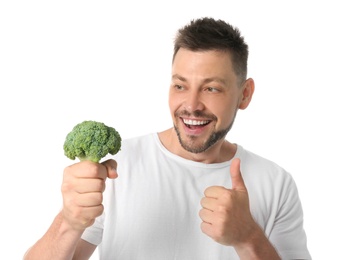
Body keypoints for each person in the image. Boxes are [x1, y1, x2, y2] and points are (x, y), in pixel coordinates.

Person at [24, 17, 311, 259]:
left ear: (244, 94)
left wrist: (249, 238)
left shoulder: (276, 183)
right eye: (180, 85)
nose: (191, 104)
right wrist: (69, 223)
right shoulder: (116, 167)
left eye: (211, 89)